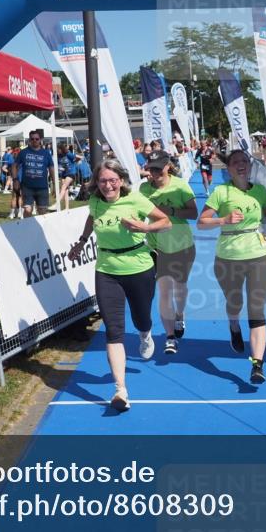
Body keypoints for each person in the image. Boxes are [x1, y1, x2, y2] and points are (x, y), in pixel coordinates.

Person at [68, 160, 171, 411]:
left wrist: (144, 226)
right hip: (106, 270)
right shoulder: (94, 201)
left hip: (139, 266)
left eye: (113, 180)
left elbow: (165, 221)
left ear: (122, 181)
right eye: (103, 181)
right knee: (114, 330)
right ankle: (120, 390)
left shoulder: (135, 200)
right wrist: (82, 242)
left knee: (141, 318)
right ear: (97, 183)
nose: (108, 185)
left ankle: (145, 334)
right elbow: (92, 219)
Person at [198, 150, 266, 385]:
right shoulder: (221, 191)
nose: (241, 165)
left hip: (259, 253)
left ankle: (257, 365)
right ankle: (234, 325)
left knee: (257, 308)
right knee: (235, 302)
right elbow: (201, 223)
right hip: (228, 256)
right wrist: (222, 220)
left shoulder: (260, 191)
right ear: (229, 169)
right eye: (236, 163)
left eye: (244, 161)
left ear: (250, 166)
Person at [140, 150, 198, 355]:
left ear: (167, 166)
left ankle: (180, 314)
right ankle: (170, 337)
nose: (154, 172)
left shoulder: (180, 185)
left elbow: (194, 212)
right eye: (151, 168)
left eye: (158, 168)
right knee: (165, 291)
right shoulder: (144, 189)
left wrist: (170, 211)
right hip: (156, 246)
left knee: (180, 288)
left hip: (182, 244)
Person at [15, 130, 53, 217]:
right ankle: (27, 230)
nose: (35, 140)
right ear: (29, 140)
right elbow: (14, 165)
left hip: (42, 187)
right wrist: (15, 179)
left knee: (43, 212)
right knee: (28, 210)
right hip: (27, 187)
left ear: (40, 140)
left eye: (37, 139)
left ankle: (42, 230)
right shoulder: (23, 152)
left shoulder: (46, 153)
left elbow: (51, 168)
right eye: (32, 139)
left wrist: (54, 182)